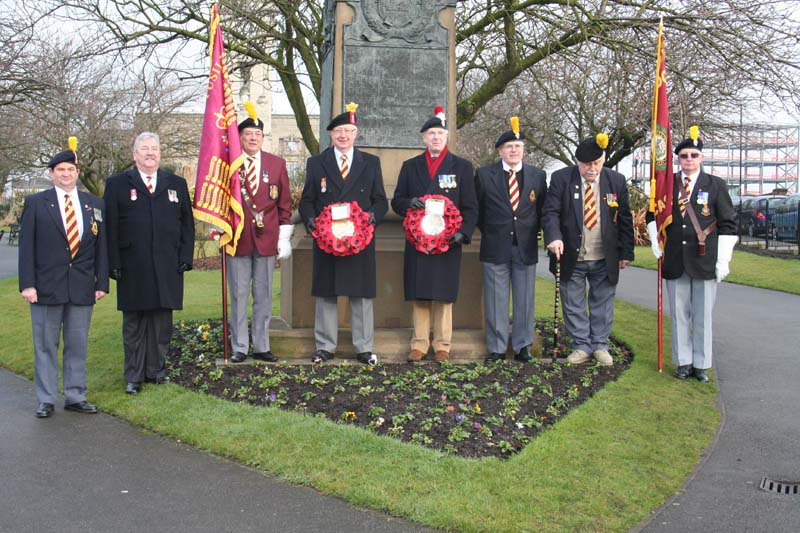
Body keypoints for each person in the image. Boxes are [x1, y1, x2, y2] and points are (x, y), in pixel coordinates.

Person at [18, 139, 109, 418]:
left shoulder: (94, 204)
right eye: (60, 170)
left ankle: (75, 395)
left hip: (82, 287)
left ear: (77, 172)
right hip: (45, 287)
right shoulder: (36, 203)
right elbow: (27, 247)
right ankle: (46, 398)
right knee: (45, 345)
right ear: (52, 173)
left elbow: (101, 246)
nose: (66, 174)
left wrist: (101, 282)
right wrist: (28, 284)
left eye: (70, 169)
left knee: (77, 344)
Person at [104, 132, 195, 394]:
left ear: (160, 153)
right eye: (144, 149)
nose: (150, 153)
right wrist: (114, 262)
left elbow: (187, 225)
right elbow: (110, 226)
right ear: (134, 155)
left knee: (161, 322)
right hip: (133, 265)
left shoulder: (175, 184)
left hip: (168, 264)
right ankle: (133, 375)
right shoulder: (118, 184)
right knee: (134, 323)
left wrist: (185, 257)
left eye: (154, 148)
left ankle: (156, 370)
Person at [299, 103, 388, 365]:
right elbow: (307, 201)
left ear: (355, 133)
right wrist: (313, 223)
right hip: (327, 241)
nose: (343, 136)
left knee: (360, 295)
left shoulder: (371, 163)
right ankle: (325, 346)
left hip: (359, 241)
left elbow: (380, 201)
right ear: (330, 134)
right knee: (327, 294)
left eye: (348, 130)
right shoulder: (317, 163)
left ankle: (363, 347)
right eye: (338, 131)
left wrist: (371, 218)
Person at [646, 126, 736, 382]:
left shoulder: (715, 185)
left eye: (694, 155)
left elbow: (728, 223)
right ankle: (683, 362)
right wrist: (655, 240)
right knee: (679, 314)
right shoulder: (667, 184)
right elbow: (653, 213)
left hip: (704, 259)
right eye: (684, 156)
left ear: (702, 157)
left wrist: (723, 259)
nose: (689, 160)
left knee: (702, 315)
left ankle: (701, 364)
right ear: (677, 158)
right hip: (675, 258)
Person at [391, 106, 478, 362]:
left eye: (440, 133)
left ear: (447, 136)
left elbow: (471, 206)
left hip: (448, 242)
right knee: (420, 293)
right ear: (424, 138)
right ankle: (419, 343)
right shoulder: (410, 167)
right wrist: (410, 203)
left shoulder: (462, 167)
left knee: (443, 294)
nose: (436, 137)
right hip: (418, 242)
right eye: (431, 133)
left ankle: (442, 345)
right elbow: (397, 201)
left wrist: (463, 233)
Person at [542, 133, 634, 366]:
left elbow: (624, 219)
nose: (592, 169)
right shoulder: (561, 179)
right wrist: (553, 238)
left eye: (596, 163)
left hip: (605, 255)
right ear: (577, 163)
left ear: (603, 160)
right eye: (586, 165)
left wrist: (626, 252)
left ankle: (600, 345)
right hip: (571, 255)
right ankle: (581, 345)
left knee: (602, 302)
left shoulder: (616, 181)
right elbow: (550, 212)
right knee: (573, 303)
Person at [475, 117, 547, 363]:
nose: (514, 150)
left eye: (518, 146)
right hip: (495, 245)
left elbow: (542, 211)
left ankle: (522, 346)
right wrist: (493, 231)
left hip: (525, 247)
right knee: (496, 300)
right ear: (500, 150)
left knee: (525, 299)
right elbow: (478, 212)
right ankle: (496, 347)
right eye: (509, 147)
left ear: (523, 150)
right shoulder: (485, 175)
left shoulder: (538, 176)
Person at [228, 102, 293, 363]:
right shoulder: (230, 164)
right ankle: (240, 347)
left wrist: (284, 237)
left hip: (267, 239)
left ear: (262, 138)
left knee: (264, 295)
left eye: (257, 135)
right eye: (248, 135)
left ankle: (261, 345)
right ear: (240, 138)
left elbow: (284, 203)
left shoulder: (276, 164)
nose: (253, 138)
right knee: (239, 294)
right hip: (238, 238)